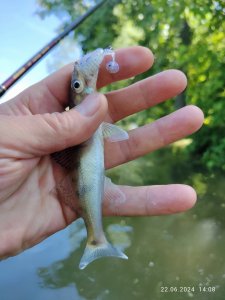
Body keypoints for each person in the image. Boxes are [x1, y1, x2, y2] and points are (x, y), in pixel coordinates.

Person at [0, 46, 204, 259]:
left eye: (77, 84)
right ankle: (96, 240)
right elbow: (116, 134)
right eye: (78, 85)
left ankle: (96, 239)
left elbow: (115, 134)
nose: (82, 85)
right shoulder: (81, 120)